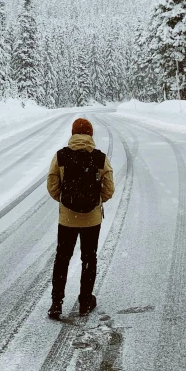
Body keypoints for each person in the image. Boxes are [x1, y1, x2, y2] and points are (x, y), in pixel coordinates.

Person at [46, 117, 115, 320]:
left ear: (73, 134)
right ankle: (85, 302)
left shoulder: (60, 156)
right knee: (88, 258)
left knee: (62, 259)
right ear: (91, 135)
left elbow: (52, 185)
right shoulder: (100, 158)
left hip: (67, 219)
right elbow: (109, 188)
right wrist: (95, 202)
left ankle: (56, 304)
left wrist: (65, 201)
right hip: (91, 221)